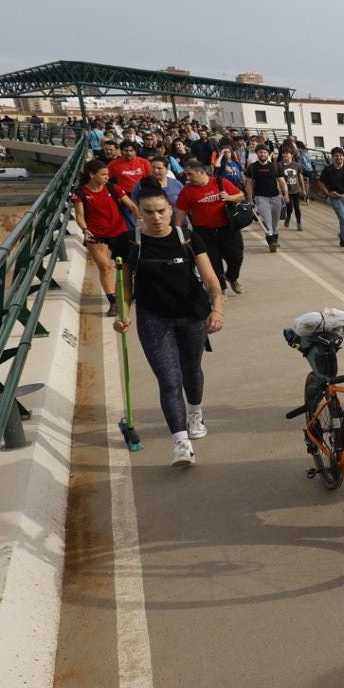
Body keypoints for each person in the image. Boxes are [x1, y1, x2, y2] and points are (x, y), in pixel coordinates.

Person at [114, 178, 225, 468]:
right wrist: (122, 315)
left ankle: (195, 412)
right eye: (148, 212)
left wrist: (217, 310)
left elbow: (212, 282)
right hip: (153, 318)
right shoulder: (132, 243)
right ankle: (181, 443)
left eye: (161, 211)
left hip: (191, 315)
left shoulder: (187, 237)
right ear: (138, 211)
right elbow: (124, 286)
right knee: (169, 379)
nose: (156, 217)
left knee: (191, 371)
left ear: (170, 208)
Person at [174, 160, 247, 294]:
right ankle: (220, 290)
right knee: (213, 262)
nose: (188, 178)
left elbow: (241, 195)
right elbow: (180, 213)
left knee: (236, 257)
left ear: (201, 172)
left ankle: (232, 277)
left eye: (190, 174)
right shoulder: (187, 191)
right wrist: (176, 233)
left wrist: (229, 197)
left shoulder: (220, 182)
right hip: (204, 232)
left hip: (228, 229)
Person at [71, 158, 132, 316]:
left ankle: (127, 293)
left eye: (108, 174)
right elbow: (79, 215)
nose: (107, 177)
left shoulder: (114, 188)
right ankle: (113, 301)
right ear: (92, 174)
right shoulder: (81, 193)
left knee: (125, 266)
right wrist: (84, 229)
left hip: (119, 231)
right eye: (103, 174)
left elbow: (131, 205)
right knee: (105, 267)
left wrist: (139, 216)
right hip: (95, 234)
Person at [245, 144, 288, 251]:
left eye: (264, 152)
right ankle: (272, 242)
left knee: (275, 221)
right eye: (260, 152)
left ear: (268, 154)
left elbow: (282, 181)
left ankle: (275, 239)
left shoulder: (276, 166)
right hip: (260, 198)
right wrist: (250, 199)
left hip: (276, 197)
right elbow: (249, 184)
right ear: (257, 154)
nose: (262, 154)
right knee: (267, 221)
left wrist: (286, 194)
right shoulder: (252, 167)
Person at [318, 146, 344, 252]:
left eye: (340, 155)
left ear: (343, 156)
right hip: (335, 198)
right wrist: (327, 193)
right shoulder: (328, 170)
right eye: (336, 156)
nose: (339, 158)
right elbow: (320, 182)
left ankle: (342, 236)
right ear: (332, 157)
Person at [106, 140, 152, 228]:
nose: (128, 153)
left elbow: (150, 178)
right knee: (129, 220)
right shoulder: (114, 164)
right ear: (121, 151)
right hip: (124, 196)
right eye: (126, 150)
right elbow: (105, 178)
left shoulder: (144, 162)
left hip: (141, 194)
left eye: (131, 151)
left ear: (135, 151)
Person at [280, 146, 308, 231]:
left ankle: (299, 223)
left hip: (296, 190)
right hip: (286, 192)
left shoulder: (296, 165)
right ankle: (288, 218)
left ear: (292, 155)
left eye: (287, 153)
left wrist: (303, 189)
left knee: (297, 208)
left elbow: (300, 177)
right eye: (284, 153)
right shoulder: (280, 165)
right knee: (289, 208)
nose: (285, 155)